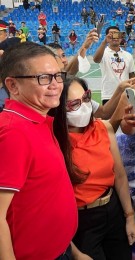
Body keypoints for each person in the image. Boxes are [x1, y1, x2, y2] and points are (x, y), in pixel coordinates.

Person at [0, 41, 80, 260]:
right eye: (43, 78)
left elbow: (42, 200)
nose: (55, 84)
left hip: (62, 249)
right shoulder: (13, 132)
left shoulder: (38, 119)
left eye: (57, 75)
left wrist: (73, 250)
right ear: (13, 86)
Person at [51, 77, 135, 259]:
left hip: (113, 210)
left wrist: (129, 217)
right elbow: (50, 202)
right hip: (81, 221)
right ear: (59, 108)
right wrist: (74, 251)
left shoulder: (103, 127)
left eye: (85, 98)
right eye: (73, 104)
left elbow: (120, 175)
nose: (83, 106)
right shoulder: (53, 141)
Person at [93, 26, 135, 104]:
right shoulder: (103, 52)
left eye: (117, 34)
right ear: (107, 37)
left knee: (126, 116)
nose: (115, 37)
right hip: (109, 95)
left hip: (125, 94)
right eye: (111, 34)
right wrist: (104, 42)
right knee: (109, 116)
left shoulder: (128, 55)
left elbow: (132, 75)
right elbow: (96, 60)